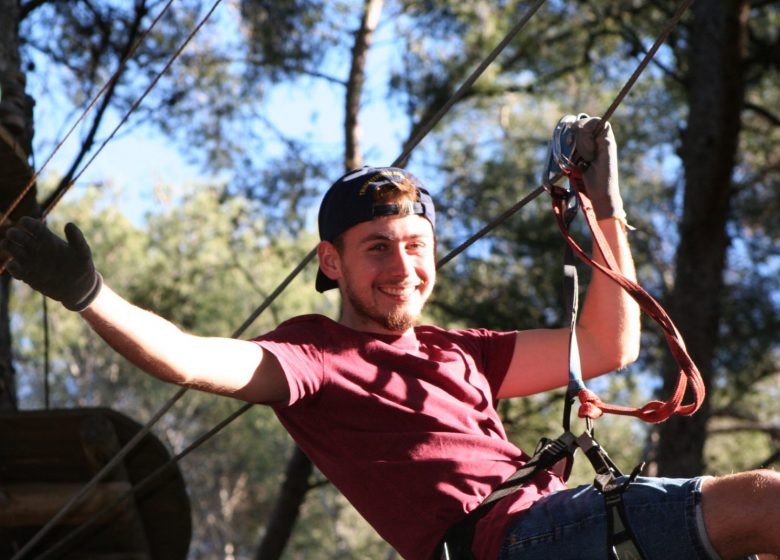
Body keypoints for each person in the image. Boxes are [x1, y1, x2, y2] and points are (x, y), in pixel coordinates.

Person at [2, 118, 779, 560]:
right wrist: (89, 296)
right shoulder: (315, 358)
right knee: (766, 502)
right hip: (522, 541)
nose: (403, 266)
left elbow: (611, 346)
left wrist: (603, 207)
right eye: (378, 247)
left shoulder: (458, 352)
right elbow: (192, 359)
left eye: (415, 246)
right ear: (331, 263)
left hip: (567, 525)